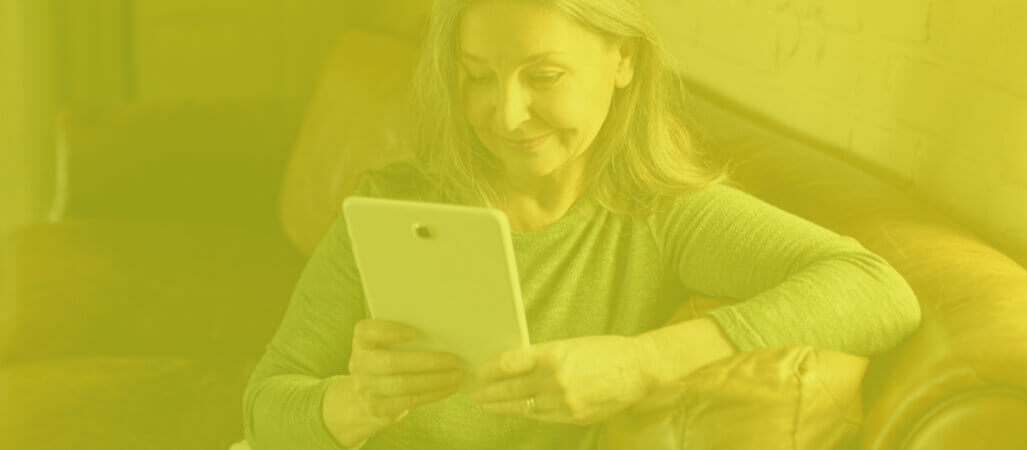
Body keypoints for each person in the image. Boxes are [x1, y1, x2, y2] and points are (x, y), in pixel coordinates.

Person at [242, 0, 922, 449]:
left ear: (623, 60)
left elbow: (876, 288)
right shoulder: (393, 205)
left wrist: (641, 361)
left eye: (544, 75)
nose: (505, 115)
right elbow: (266, 404)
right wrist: (357, 404)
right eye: (477, 76)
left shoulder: (662, 217)